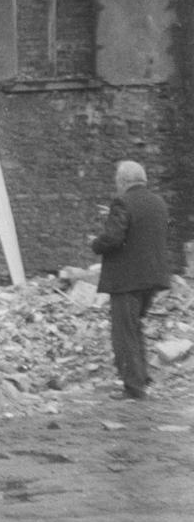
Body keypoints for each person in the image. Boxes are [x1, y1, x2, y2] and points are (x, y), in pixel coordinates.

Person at [91, 160, 172, 399]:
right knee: (135, 328)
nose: (117, 186)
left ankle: (133, 387)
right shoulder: (159, 203)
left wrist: (96, 243)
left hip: (126, 280)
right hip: (152, 279)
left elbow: (113, 238)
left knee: (124, 332)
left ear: (124, 182)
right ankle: (141, 377)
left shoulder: (122, 203)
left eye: (117, 182)